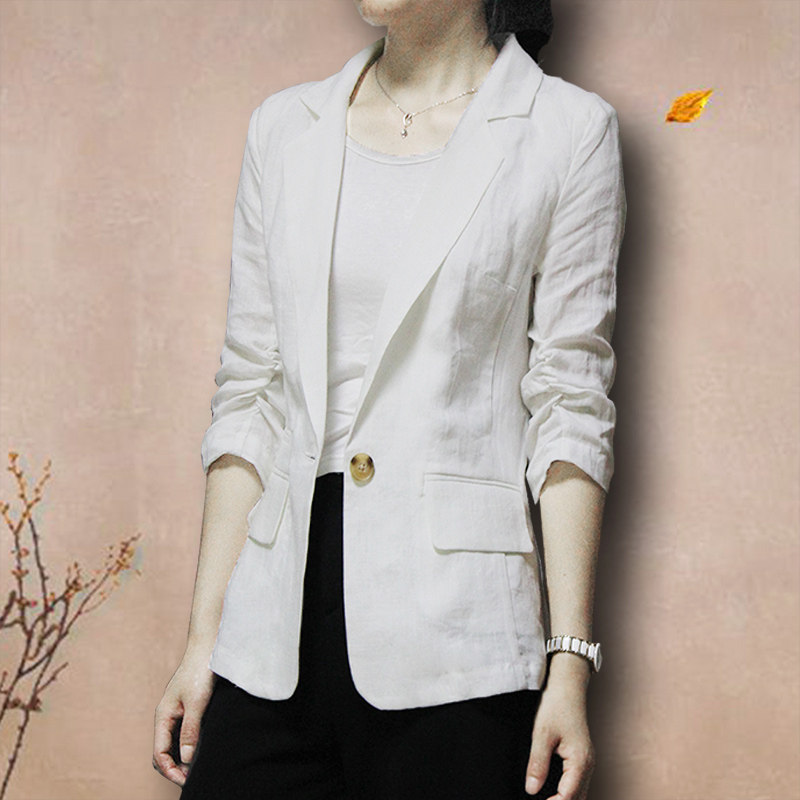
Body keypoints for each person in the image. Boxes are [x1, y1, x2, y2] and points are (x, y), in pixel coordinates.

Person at [153, 1, 626, 798]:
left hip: (457, 637)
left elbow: (571, 404)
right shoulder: (285, 128)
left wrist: (569, 661)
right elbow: (251, 392)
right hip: (274, 625)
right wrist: (204, 640)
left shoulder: (567, 130)